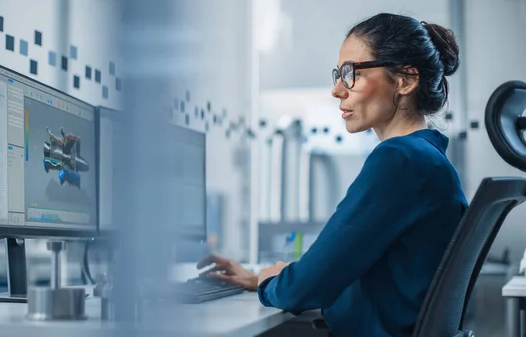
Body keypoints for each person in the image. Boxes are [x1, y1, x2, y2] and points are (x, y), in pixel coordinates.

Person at [197, 13, 468, 337]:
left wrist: (274, 282)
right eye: (337, 75)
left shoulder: (401, 160)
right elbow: (337, 273)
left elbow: (306, 287)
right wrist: (264, 278)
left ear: (406, 81)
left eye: (350, 73)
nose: (337, 90)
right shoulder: (427, 159)